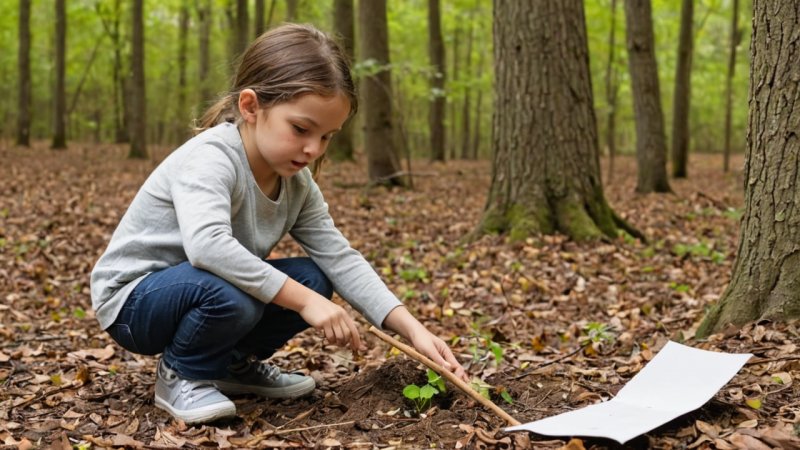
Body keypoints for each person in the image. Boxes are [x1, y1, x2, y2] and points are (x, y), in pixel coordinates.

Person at [90, 23, 467, 426]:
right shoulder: (212, 158)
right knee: (239, 291)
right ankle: (183, 372)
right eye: (301, 129)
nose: (313, 149)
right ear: (251, 107)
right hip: (133, 302)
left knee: (314, 276)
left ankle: (229, 364)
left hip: (207, 291)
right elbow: (208, 247)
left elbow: (340, 257)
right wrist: (307, 303)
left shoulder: (297, 183)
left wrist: (414, 330)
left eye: (327, 137)